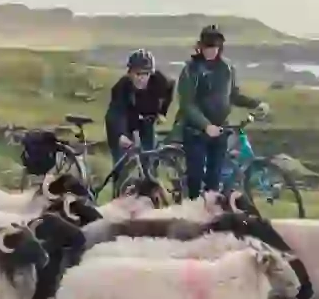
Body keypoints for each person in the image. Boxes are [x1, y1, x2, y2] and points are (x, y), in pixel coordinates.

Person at [172, 24, 269, 200]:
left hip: (220, 131)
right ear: (200, 46)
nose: (211, 51)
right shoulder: (190, 70)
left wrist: (255, 104)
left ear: (220, 47)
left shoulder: (227, 69)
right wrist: (205, 125)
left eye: (215, 47)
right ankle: (191, 211)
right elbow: (187, 104)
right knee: (195, 177)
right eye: (207, 47)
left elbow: (233, 95)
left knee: (214, 179)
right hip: (195, 131)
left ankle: (209, 217)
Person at [104, 48, 175, 195]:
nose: (141, 78)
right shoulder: (121, 88)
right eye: (137, 74)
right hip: (125, 123)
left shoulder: (159, 81)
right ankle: (118, 195)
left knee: (150, 157)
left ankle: (149, 193)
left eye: (146, 74)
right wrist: (121, 135)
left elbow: (170, 89)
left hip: (146, 120)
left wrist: (162, 112)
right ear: (129, 73)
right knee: (121, 162)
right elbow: (116, 113)